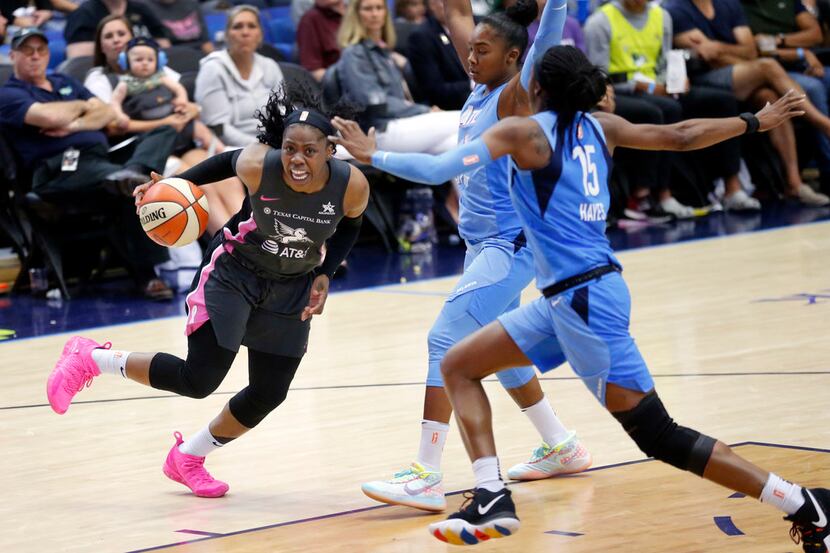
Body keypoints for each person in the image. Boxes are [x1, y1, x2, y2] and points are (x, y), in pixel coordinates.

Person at [332, 45, 829, 551]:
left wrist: (376, 156)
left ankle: (804, 504)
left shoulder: (524, 134)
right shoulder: (601, 127)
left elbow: (440, 170)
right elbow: (679, 135)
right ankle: (490, 496)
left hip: (584, 301)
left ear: (539, 88)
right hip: (570, 297)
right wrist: (752, 121)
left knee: (657, 433)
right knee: (458, 365)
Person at [45, 84, 370, 498]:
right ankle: (90, 358)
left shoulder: (351, 186)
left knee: (268, 393)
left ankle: (188, 457)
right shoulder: (259, 163)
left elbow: (353, 224)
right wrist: (172, 186)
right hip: (235, 272)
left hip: (293, 285)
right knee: (198, 379)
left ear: (329, 151)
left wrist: (324, 272)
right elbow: (220, 164)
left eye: (309, 151)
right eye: (290, 149)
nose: (297, 160)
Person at [356, 0, 592, 514]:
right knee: (501, 353)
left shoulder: (514, 97)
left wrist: (375, 155)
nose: (470, 56)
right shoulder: (478, 92)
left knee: (445, 340)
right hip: (482, 248)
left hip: (507, 250)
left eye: (482, 51)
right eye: (471, 48)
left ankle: (425, 473)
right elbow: (453, 13)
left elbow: (546, 30)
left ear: (514, 58)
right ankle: (561, 445)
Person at [0, 27, 176, 299]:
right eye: (27, 51)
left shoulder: (63, 80)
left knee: (163, 132)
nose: (36, 56)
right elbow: (48, 117)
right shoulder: (9, 94)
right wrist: (81, 109)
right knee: (129, 188)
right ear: (13, 55)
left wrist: (74, 122)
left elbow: (106, 112)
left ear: (48, 54)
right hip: (58, 169)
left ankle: (133, 172)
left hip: (99, 158)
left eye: (41, 50)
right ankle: (148, 274)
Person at [584, 0, 747, 216]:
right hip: (621, 91)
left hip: (658, 88)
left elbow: (664, 64)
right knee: (662, 110)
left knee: (721, 100)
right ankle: (657, 195)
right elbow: (600, 78)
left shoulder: (662, 16)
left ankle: (732, 188)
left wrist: (677, 80)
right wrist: (649, 87)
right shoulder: (600, 22)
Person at [665, 0, 830, 206]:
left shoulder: (728, 4)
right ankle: (823, 124)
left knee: (770, 99)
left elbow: (750, 50)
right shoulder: (675, 8)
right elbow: (707, 57)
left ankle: (794, 184)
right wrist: (736, 53)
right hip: (701, 77)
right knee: (768, 66)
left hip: (739, 73)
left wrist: (721, 49)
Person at [110, 36, 224, 155]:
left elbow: (178, 88)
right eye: (139, 60)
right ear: (126, 62)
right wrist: (120, 115)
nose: (145, 63)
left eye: (150, 60)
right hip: (150, 131)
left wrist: (182, 99)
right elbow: (115, 102)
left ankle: (221, 151)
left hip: (176, 119)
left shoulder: (161, 77)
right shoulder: (125, 84)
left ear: (158, 61)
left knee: (199, 128)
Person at [407, 0, 472, 111]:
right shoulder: (421, 36)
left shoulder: (481, 25)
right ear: (432, 4)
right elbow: (434, 89)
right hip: (448, 107)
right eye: (444, 2)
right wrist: (474, 84)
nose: (452, 7)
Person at [64, 0, 171, 59]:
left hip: (147, 69)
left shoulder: (141, 9)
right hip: (108, 74)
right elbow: (79, 63)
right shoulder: (84, 14)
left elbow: (166, 49)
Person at [297, 0, 345, 81]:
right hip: (339, 85)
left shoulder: (360, 12)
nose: (374, 13)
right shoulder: (310, 20)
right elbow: (314, 72)